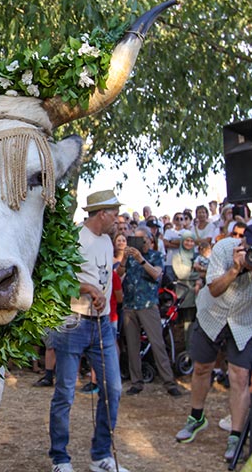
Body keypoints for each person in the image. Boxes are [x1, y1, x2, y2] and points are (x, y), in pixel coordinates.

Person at [175, 224, 252, 462]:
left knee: (240, 376)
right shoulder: (224, 249)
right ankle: (196, 418)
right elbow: (213, 289)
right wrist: (235, 269)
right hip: (212, 315)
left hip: (244, 323)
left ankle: (235, 435)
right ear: (242, 242)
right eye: (249, 247)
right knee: (202, 367)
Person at [48, 190, 129, 472]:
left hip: (102, 325)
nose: (118, 221)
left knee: (113, 389)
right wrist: (88, 289)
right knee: (65, 393)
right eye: (115, 214)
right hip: (73, 322)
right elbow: (57, 281)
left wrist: (100, 292)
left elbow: (105, 278)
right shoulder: (74, 238)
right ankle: (60, 458)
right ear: (102, 214)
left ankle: (101, 456)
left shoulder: (107, 241)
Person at [121, 228, 181, 396]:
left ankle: (169, 382)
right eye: (135, 239)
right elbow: (119, 274)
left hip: (148, 305)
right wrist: (125, 259)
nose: (139, 242)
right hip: (130, 305)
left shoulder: (156, 256)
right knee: (132, 345)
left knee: (157, 343)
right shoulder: (130, 257)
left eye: (141, 239)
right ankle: (136, 381)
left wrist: (141, 260)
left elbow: (156, 275)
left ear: (149, 239)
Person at [172, 231, 203, 352]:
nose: (189, 243)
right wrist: (199, 275)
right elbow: (181, 274)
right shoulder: (177, 256)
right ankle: (188, 352)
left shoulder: (197, 256)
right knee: (187, 326)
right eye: (187, 240)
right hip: (185, 296)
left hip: (198, 296)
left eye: (192, 241)